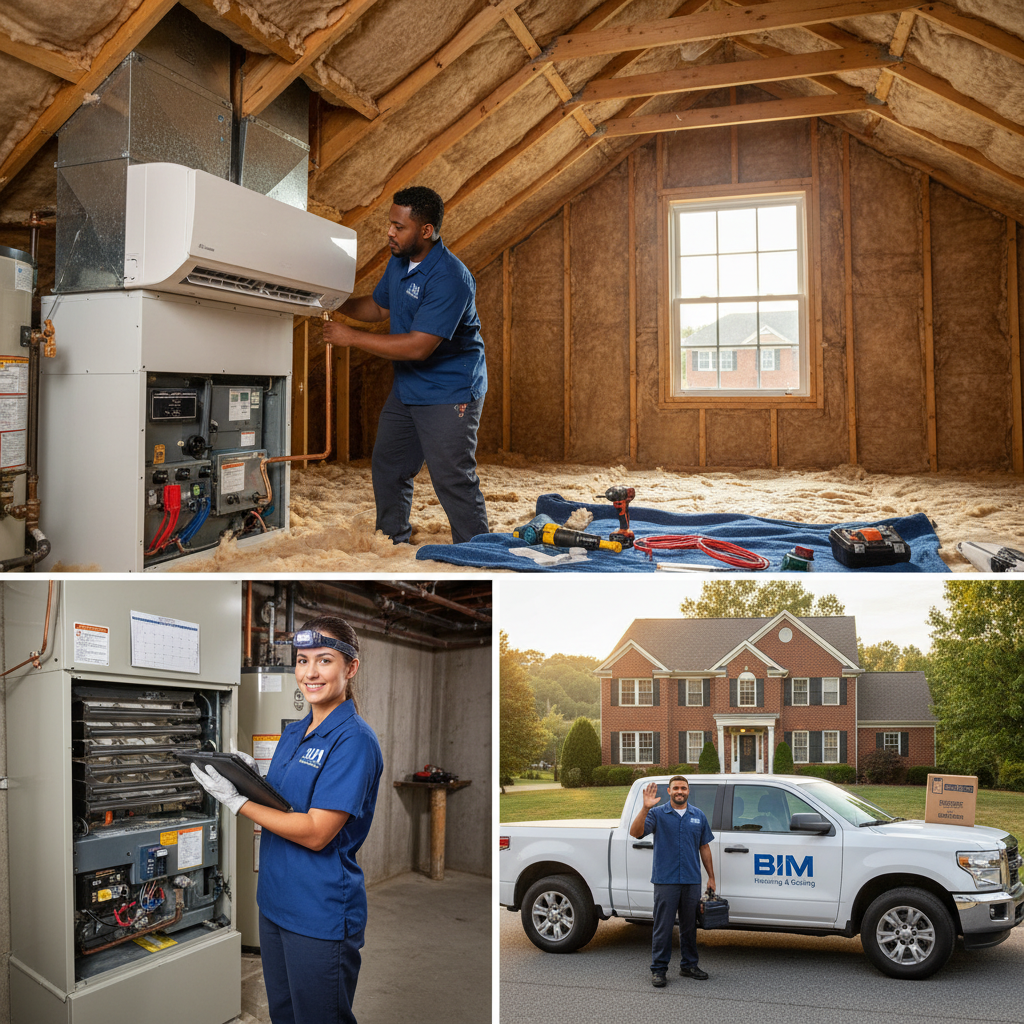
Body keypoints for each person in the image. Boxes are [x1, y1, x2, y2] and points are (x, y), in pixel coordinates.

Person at [191, 615, 383, 1024]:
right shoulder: (295, 733)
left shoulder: (355, 742)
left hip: (319, 911)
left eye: (325, 660)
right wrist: (246, 778)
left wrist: (237, 801)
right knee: (284, 1014)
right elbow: (283, 803)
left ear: (350, 668)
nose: (310, 673)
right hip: (275, 901)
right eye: (302, 660)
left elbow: (316, 833)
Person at [324, 185, 489, 545]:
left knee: (452, 478)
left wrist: (349, 337)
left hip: (449, 390)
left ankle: (479, 551)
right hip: (409, 388)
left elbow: (418, 347)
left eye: (399, 227)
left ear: (426, 231)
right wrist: (335, 300)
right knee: (389, 465)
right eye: (390, 224)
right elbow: (380, 308)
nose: (390, 232)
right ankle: (391, 540)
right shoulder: (399, 261)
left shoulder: (450, 277)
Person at [628, 776, 716, 987]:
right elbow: (636, 833)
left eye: (683, 788)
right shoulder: (657, 814)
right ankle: (658, 969)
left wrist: (711, 877)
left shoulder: (698, 815)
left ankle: (689, 965)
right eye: (675, 788)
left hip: (691, 880)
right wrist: (645, 808)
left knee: (689, 927)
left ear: (688, 791)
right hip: (665, 880)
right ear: (668, 791)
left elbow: (704, 847)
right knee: (663, 927)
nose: (680, 791)